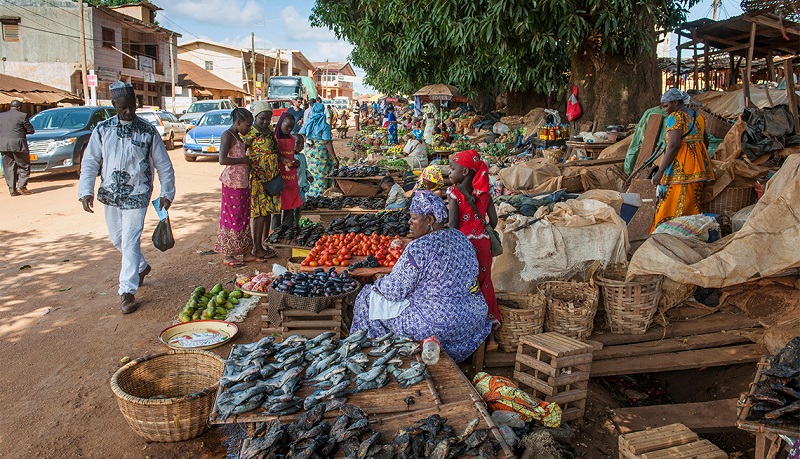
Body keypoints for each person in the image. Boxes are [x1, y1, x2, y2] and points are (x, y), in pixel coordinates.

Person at [351, 190, 492, 363]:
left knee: (366, 298)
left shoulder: (419, 248)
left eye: (414, 218)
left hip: (438, 323)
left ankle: (374, 356)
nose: (409, 222)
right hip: (473, 315)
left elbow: (395, 291)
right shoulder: (460, 237)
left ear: (430, 220)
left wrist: (377, 283)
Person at [78, 81, 175, 314]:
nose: (129, 112)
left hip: (138, 193)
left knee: (130, 239)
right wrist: (86, 191)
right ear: (114, 106)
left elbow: (164, 165)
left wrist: (167, 193)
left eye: (132, 107)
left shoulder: (148, 131)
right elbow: (90, 162)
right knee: (117, 239)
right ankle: (141, 267)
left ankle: (127, 291)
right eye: (123, 108)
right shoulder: (102, 130)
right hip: (111, 193)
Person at [448, 149, 500, 351]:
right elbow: (493, 221)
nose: (450, 173)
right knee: (485, 285)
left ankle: (470, 334)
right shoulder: (485, 192)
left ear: (466, 172)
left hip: (464, 247)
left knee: (466, 288)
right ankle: (491, 337)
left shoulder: (455, 192)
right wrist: (480, 230)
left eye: (453, 169)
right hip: (484, 245)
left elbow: (452, 225)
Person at [650, 88, 714, 233]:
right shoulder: (698, 116)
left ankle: (669, 236)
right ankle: (693, 234)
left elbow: (673, 145)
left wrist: (660, 171)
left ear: (676, 102)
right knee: (692, 206)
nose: (665, 110)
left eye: (666, 106)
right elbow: (705, 142)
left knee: (670, 206)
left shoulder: (676, 117)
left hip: (681, 168)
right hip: (699, 167)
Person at [216, 108, 259, 267]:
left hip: (242, 182)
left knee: (243, 216)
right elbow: (222, 159)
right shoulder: (227, 135)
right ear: (238, 122)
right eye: (247, 125)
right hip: (232, 182)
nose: (248, 129)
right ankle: (229, 254)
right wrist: (244, 160)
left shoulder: (238, 136)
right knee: (232, 217)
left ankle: (246, 252)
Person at [244, 102, 281, 260]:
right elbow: (242, 152)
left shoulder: (269, 131)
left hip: (272, 176)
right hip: (259, 177)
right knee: (259, 213)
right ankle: (256, 247)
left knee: (268, 213)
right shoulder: (250, 132)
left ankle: (264, 244)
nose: (265, 122)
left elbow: (274, 151)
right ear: (255, 117)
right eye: (262, 119)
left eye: (268, 118)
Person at [272, 112, 304, 229]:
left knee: (290, 205)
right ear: (280, 123)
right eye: (287, 127)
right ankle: (275, 233)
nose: (289, 129)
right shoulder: (274, 139)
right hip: (278, 176)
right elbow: (273, 155)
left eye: (291, 127)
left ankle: (287, 231)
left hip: (291, 177)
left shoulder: (291, 138)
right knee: (278, 207)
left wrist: (295, 163)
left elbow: (291, 155)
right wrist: (284, 160)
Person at [299, 103, 339, 196]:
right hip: (320, 152)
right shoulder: (324, 125)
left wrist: (308, 141)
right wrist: (334, 157)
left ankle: (311, 194)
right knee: (322, 172)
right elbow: (327, 142)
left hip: (310, 151)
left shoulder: (308, 122)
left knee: (311, 171)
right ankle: (321, 194)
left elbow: (301, 134)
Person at [0, 100, 35, 196]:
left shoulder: (1, 116)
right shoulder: (22, 116)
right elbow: (31, 130)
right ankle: (22, 186)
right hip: (18, 145)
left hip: (4, 145)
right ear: (19, 107)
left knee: (8, 167)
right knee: (24, 165)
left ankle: (12, 190)